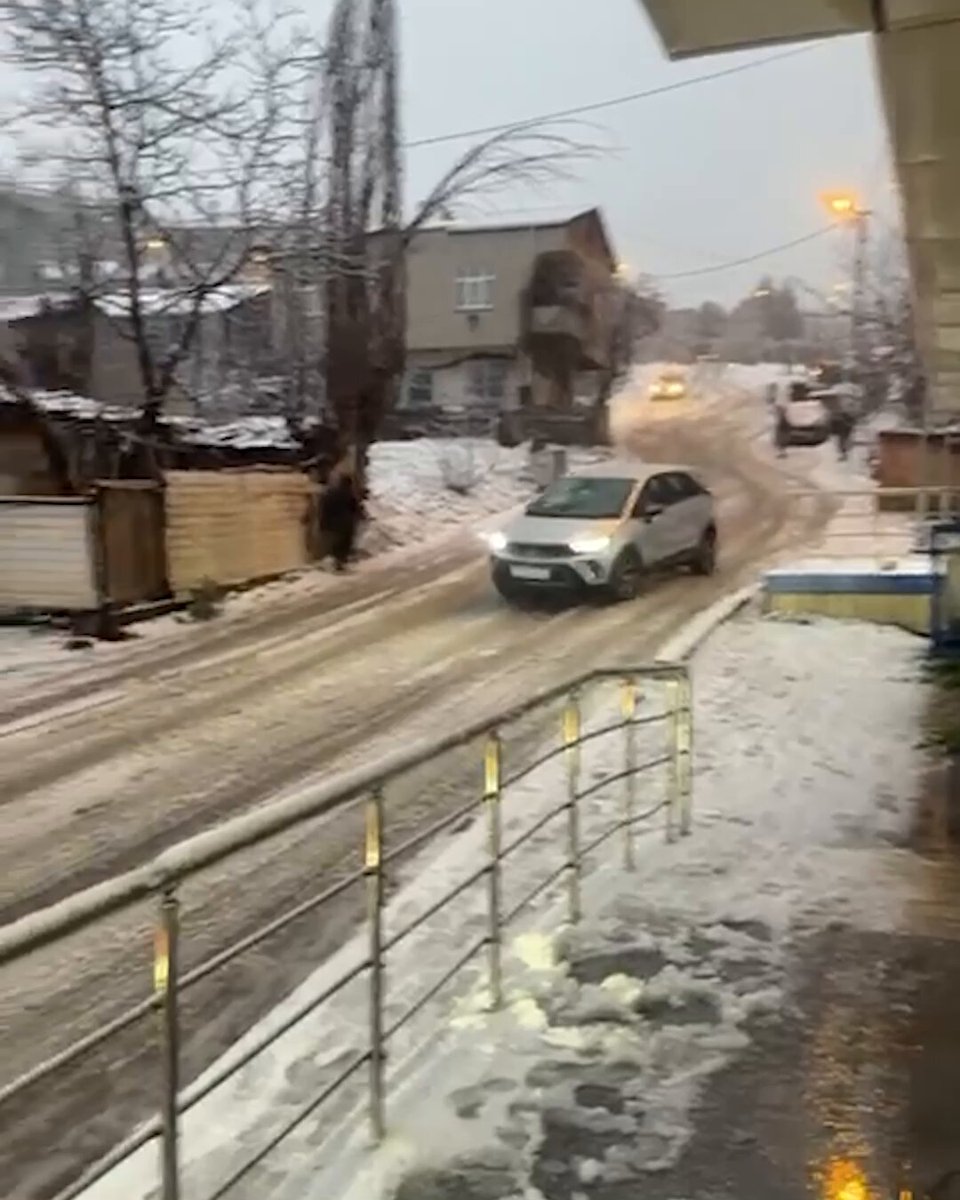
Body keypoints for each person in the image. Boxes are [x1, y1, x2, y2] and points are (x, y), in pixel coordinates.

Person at [319, 468, 362, 572]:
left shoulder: (331, 493)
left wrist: (324, 521)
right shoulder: (349, 494)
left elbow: (325, 507)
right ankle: (340, 564)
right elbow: (355, 507)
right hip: (346, 523)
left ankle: (336, 562)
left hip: (333, 523)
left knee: (336, 543)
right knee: (344, 544)